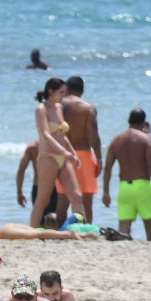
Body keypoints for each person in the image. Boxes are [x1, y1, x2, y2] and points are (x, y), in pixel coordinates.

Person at [101, 109, 151, 241]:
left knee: (123, 234)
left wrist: (106, 192)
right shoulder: (145, 139)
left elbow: (107, 168)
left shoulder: (116, 140)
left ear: (129, 121)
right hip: (143, 187)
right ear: (143, 123)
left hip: (124, 188)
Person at [30, 77, 84, 228]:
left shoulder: (59, 108)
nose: (64, 96)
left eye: (65, 92)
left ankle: (79, 229)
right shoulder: (41, 109)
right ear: (51, 91)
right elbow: (46, 135)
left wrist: (72, 153)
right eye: (61, 92)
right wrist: (63, 152)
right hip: (48, 157)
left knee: (76, 196)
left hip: (63, 157)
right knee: (43, 199)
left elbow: (62, 135)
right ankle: (32, 232)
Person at [61, 76, 102, 223]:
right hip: (84, 154)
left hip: (64, 154)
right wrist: (99, 159)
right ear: (82, 90)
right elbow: (94, 137)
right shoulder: (88, 108)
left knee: (63, 200)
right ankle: (86, 230)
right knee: (86, 201)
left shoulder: (59, 106)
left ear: (67, 89)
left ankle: (62, 233)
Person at [14, 140, 60, 219]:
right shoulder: (59, 146)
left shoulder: (33, 147)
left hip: (40, 188)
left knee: (40, 222)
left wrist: (19, 192)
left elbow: (21, 170)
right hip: (54, 188)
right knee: (56, 223)